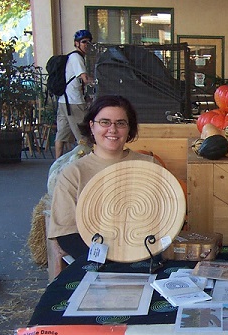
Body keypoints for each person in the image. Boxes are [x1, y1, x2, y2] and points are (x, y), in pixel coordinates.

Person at [48, 95, 154, 259]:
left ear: (129, 128)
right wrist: (108, 259)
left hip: (145, 255)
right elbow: (66, 234)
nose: (113, 129)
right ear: (91, 126)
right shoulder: (73, 173)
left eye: (120, 123)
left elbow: (164, 219)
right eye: (105, 122)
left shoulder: (149, 165)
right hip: (94, 259)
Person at [54, 29, 94, 159]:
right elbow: (85, 78)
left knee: (62, 134)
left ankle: (57, 163)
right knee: (83, 135)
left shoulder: (72, 57)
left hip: (63, 100)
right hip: (74, 102)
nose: (86, 45)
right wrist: (98, 81)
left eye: (89, 42)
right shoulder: (77, 57)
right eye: (84, 42)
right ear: (76, 43)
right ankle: (83, 162)